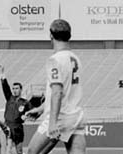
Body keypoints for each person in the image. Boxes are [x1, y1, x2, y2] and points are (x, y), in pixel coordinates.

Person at [26, 19, 87, 154]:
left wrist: (53, 122)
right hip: (76, 116)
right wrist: (42, 108)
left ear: (50, 36)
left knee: (31, 152)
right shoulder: (75, 59)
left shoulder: (55, 60)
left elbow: (57, 93)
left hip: (60, 117)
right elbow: (67, 91)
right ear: (69, 36)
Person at [0, 65, 32, 154]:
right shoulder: (9, 98)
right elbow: (5, 86)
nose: (14, 90)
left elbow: (33, 113)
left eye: (17, 88)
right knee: (7, 149)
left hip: (18, 128)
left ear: (21, 89)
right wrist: (2, 73)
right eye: (13, 88)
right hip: (8, 127)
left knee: (19, 150)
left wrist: (27, 116)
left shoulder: (25, 102)